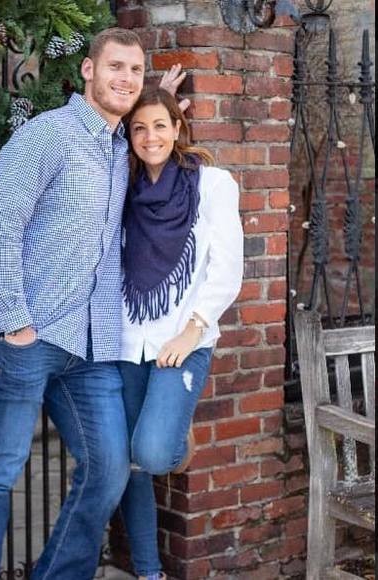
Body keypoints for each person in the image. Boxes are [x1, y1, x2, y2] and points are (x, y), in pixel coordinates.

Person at [0, 28, 147, 580]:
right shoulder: (47, 136)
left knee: (109, 469)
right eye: (115, 66)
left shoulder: (122, 150)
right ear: (88, 69)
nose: (125, 79)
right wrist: (17, 323)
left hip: (88, 346)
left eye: (135, 70)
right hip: (23, 337)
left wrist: (167, 109)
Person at [116, 88, 244, 580]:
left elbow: (227, 271)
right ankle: (149, 571)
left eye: (160, 125)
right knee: (130, 463)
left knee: (152, 452)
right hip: (127, 340)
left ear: (177, 128)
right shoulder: (123, 187)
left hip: (182, 342)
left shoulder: (212, 185)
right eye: (139, 128)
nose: (150, 137)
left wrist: (192, 332)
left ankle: (173, 429)